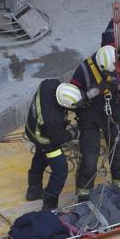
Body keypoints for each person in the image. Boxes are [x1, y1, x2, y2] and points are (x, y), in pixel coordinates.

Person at [70, 46, 120, 202]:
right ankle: (84, 195)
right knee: (89, 157)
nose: (112, 75)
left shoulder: (119, 61)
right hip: (89, 114)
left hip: (112, 110)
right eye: (108, 74)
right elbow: (74, 99)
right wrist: (93, 92)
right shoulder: (84, 70)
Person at [24, 80, 82, 210]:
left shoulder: (49, 84)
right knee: (60, 170)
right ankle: (49, 205)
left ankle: (33, 190)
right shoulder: (52, 119)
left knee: (40, 156)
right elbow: (58, 138)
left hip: (32, 128)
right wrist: (74, 133)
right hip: (45, 139)